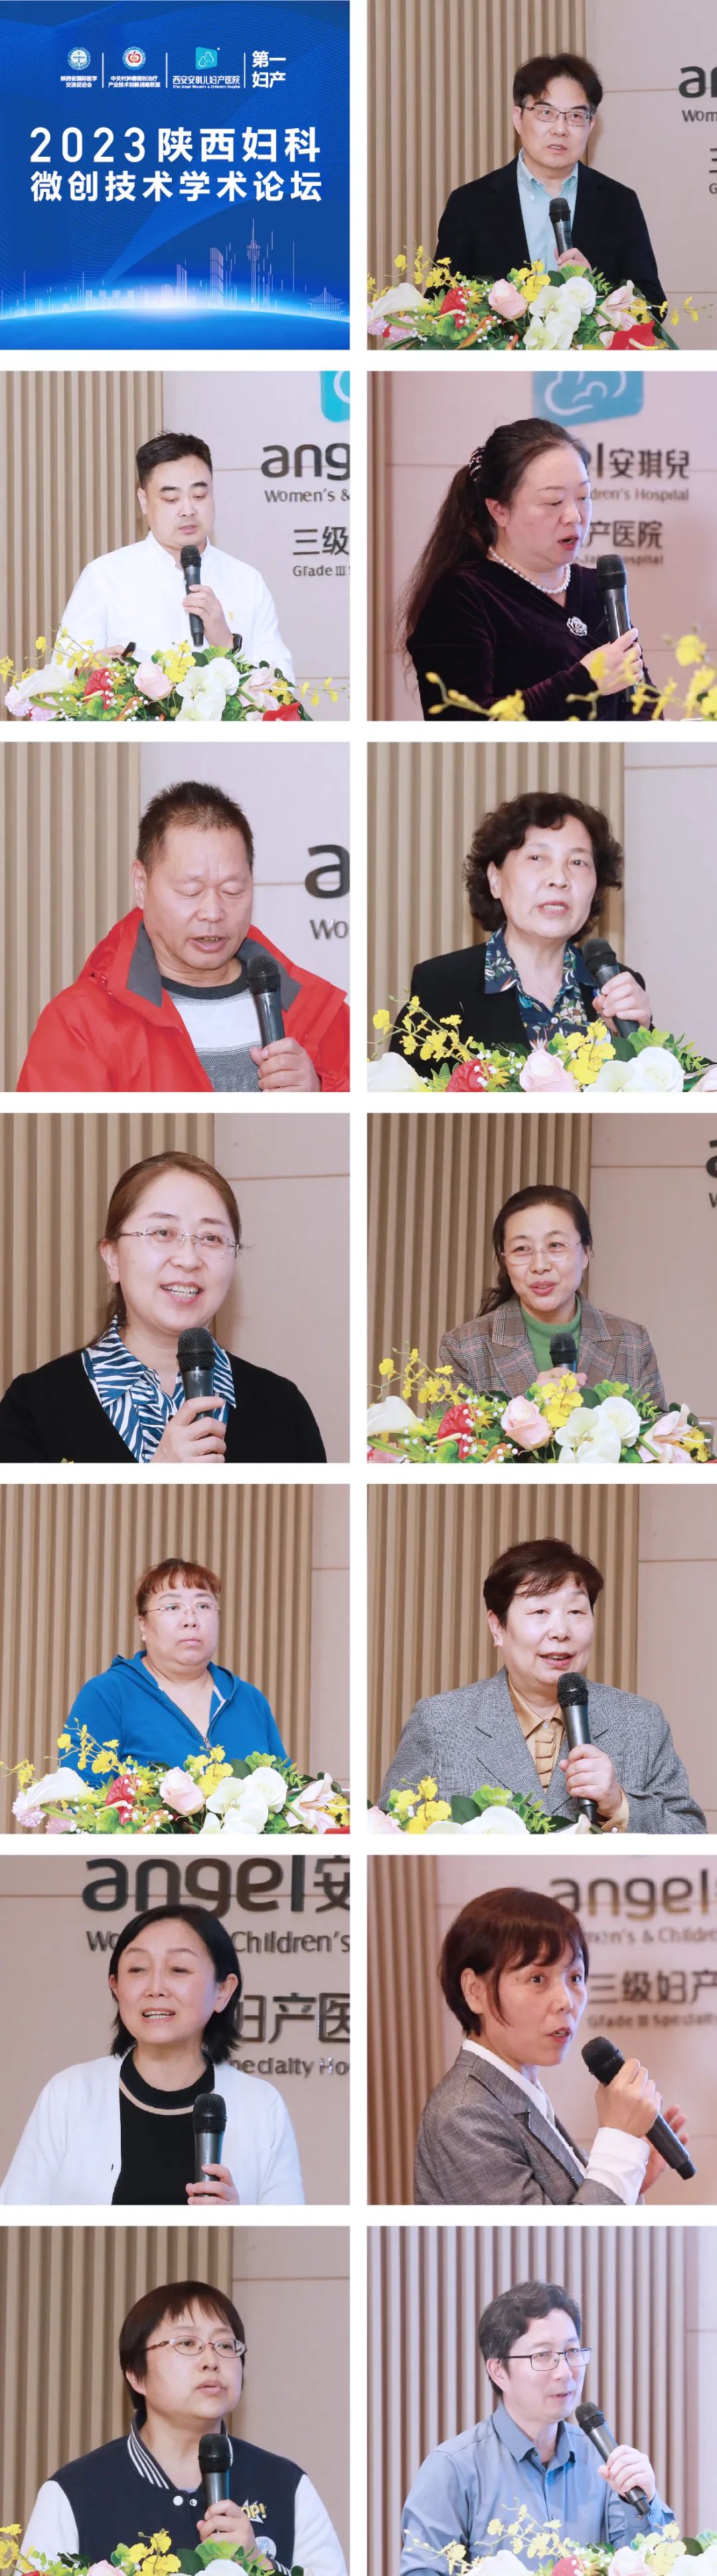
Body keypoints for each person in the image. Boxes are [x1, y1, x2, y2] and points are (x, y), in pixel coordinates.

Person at [18, 779, 349, 1095]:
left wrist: (322, 1094)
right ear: (141, 884)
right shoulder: (81, 1024)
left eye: (233, 891)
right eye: (191, 892)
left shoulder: (319, 1012)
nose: (213, 912)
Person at [0, 1149, 327, 1465]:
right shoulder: (33, 1407)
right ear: (112, 1257)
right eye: (162, 1233)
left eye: (211, 1238)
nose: (188, 1259)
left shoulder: (283, 1408)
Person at [378, 1536, 704, 1833]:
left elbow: (691, 1834)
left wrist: (619, 1805)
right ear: (498, 1627)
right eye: (539, 1611)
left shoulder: (640, 1722)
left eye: (576, 1611)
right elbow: (387, 1832)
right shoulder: (440, 1722)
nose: (561, 1631)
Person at [20, 2276, 345, 2573]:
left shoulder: (285, 2485)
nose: (211, 2361)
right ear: (136, 2374)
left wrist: (260, 2564)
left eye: (225, 2345)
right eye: (187, 2343)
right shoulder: (74, 2493)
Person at [0, 1903, 305, 2206]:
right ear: (116, 1987)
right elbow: (14, 2221)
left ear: (223, 1990)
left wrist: (240, 2224)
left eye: (179, 1970)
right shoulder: (69, 2094)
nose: (155, 1988)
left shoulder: (262, 2106)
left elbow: (288, 2236)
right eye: (138, 1970)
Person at [413, 1886, 690, 2205]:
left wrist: (630, 2179)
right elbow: (555, 2239)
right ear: (475, 1991)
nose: (565, 2001)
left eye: (575, 1978)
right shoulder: (465, 2114)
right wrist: (619, 2147)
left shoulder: (516, 2094)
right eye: (537, 1979)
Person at [400, 2275, 674, 2572]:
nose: (565, 2372)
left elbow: (648, 2564)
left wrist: (645, 2501)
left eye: (572, 2352)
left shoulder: (602, 2460)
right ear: (498, 2371)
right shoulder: (453, 2469)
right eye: (542, 2356)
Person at [402, 419, 657, 724]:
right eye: (553, 501)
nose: (574, 516)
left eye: (583, 497)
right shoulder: (462, 596)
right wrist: (585, 681)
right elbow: (465, 726)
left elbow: (642, 702)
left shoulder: (596, 586)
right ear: (499, 510)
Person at [390, 789, 655, 1057]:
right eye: (537, 858)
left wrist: (638, 1041)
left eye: (578, 862)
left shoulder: (618, 988)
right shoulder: (441, 987)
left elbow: (663, 1078)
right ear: (495, 879)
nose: (559, 879)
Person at [435, 52, 665, 314]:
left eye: (576, 116)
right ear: (518, 118)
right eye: (546, 112)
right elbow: (440, 306)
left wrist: (593, 290)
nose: (560, 129)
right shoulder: (470, 204)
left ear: (591, 126)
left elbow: (654, 305)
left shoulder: (619, 203)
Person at [50, 432, 294, 678]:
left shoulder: (246, 580)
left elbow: (283, 686)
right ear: (144, 501)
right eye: (171, 498)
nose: (188, 510)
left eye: (199, 496)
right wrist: (87, 673)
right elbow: (60, 678)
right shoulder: (105, 577)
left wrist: (227, 643)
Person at [439, 1182, 666, 1407]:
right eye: (522, 1249)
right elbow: (444, 1431)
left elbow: (659, 1430)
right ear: (505, 1260)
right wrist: (531, 1407)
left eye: (556, 1245)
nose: (540, 1266)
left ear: (586, 1253)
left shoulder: (632, 1343)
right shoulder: (464, 1348)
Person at [59, 1555, 289, 1774]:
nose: (191, 1620)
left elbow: (286, 1791)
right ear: (143, 1624)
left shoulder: (249, 1700)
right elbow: (79, 1795)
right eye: (172, 1607)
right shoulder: (108, 1695)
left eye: (203, 1606)